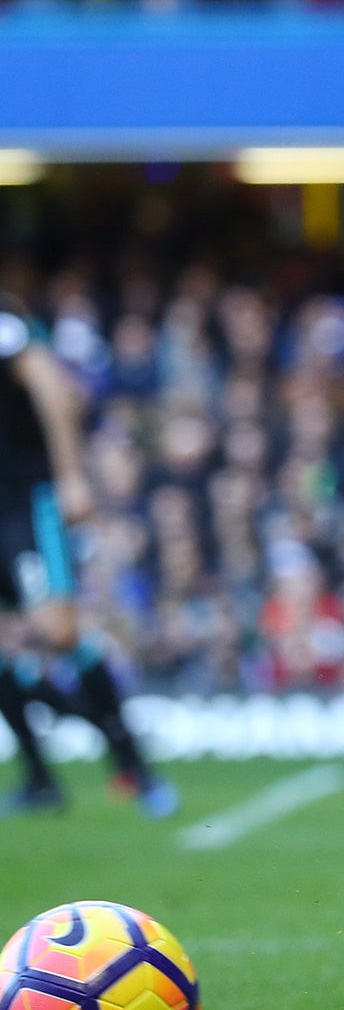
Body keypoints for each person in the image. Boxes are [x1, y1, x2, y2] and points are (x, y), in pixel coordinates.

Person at [0, 294, 178, 819]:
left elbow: (52, 388)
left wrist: (72, 475)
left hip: (24, 504)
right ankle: (40, 778)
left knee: (57, 634)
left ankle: (132, 760)